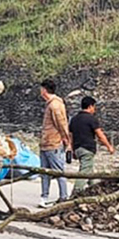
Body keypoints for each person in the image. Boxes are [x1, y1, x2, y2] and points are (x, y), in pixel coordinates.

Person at [69, 95, 114, 192]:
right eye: (94, 107)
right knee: (85, 171)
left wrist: (72, 149)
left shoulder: (74, 119)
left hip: (77, 148)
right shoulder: (91, 119)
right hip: (87, 149)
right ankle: (76, 192)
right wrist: (109, 146)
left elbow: (71, 136)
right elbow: (100, 135)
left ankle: (95, 190)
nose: (94, 109)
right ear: (90, 106)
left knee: (89, 170)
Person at [38, 78, 71, 207]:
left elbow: (61, 123)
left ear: (44, 90)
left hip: (53, 144)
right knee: (44, 173)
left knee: (58, 172)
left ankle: (63, 196)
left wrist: (66, 139)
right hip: (45, 143)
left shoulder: (55, 105)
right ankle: (44, 197)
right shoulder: (50, 104)